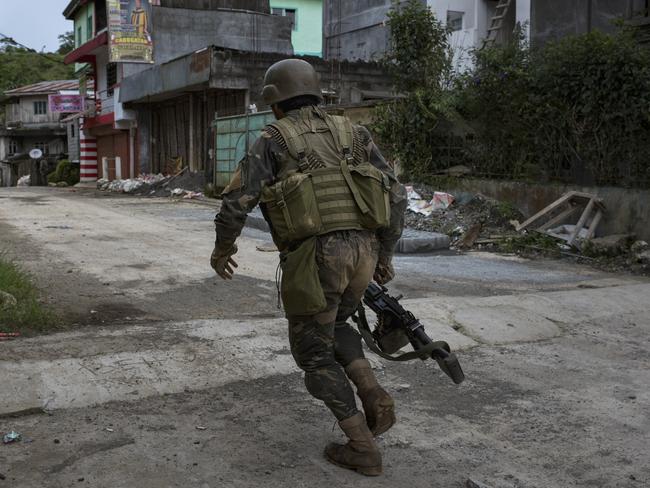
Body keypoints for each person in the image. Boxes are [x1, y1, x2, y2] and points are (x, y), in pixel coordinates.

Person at [211, 59, 407, 476]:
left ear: (275, 103)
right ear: (317, 94)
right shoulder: (354, 132)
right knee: (336, 326)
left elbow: (237, 201)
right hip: (363, 251)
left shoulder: (274, 138)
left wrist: (222, 250)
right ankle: (371, 392)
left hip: (317, 257)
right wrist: (384, 256)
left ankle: (362, 447)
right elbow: (397, 195)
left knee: (313, 354)